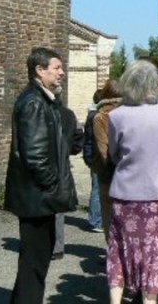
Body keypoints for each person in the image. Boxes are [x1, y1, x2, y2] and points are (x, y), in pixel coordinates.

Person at [106, 60, 158, 304]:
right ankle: (150, 301)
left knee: (119, 246)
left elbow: (114, 154)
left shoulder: (116, 115)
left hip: (124, 191)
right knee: (154, 247)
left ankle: (115, 301)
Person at [4, 47, 77, 304]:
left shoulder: (44, 100)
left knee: (35, 261)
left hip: (39, 197)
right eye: (57, 68)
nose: (62, 73)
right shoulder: (34, 102)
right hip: (37, 198)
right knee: (34, 261)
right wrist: (53, 185)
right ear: (39, 70)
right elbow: (35, 156)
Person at [92, 79, 123, 240]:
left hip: (108, 172)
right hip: (128, 172)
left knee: (109, 215)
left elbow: (103, 148)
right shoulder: (129, 113)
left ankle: (113, 256)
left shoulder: (101, 117)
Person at [52, 106, 84, 260]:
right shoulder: (68, 114)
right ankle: (57, 246)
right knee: (58, 208)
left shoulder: (38, 111)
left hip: (46, 163)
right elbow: (79, 136)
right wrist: (71, 149)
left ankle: (46, 245)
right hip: (62, 164)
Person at [82, 89, 103, 233]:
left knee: (97, 188)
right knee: (97, 189)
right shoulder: (95, 117)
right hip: (96, 159)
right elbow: (90, 140)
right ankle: (95, 221)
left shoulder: (92, 115)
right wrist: (90, 158)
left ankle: (97, 219)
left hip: (93, 158)